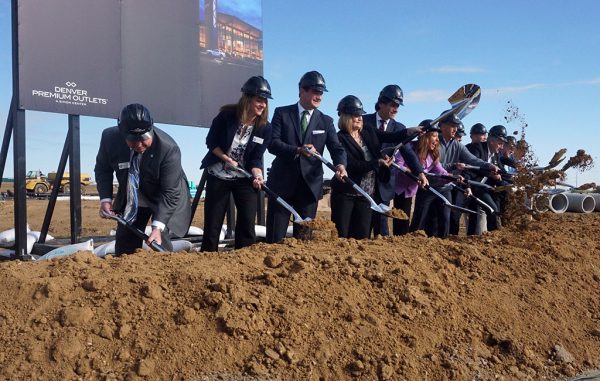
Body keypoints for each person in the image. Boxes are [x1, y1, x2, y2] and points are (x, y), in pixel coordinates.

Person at [95, 103, 191, 255]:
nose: (139, 145)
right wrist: (105, 199)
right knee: (125, 243)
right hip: (132, 197)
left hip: (162, 197)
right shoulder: (109, 138)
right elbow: (103, 169)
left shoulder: (168, 148)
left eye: (144, 138)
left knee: (160, 241)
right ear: (122, 133)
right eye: (133, 140)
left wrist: (157, 227)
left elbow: (170, 193)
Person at [266, 71, 347, 243]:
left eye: (321, 93)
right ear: (302, 90)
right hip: (282, 184)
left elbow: (336, 148)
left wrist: (340, 165)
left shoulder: (326, 121)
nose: (319, 96)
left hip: (309, 187)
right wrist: (297, 150)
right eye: (315, 91)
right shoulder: (282, 113)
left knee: (305, 239)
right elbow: (272, 143)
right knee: (275, 238)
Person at [199, 76, 273, 251]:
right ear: (247, 98)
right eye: (259, 100)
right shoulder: (226, 116)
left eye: (265, 101)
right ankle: (207, 259)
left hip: (244, 178)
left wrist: (258, 175)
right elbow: (211, 143)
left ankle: (243, 258)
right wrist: (226, 159)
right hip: (219, 175)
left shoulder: (265, 128)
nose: (262, 105)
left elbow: (256, 158)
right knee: (213, 222)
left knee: (247, 223)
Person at [330, 95, 420, 239]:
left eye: (361, 115)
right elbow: (352, 165)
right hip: (346, 194)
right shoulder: (339, 138)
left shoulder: (368, 130)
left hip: (366, 195)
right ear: (345, 117)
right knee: (342, 235)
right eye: (356, 115)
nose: (360, 118)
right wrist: (376, 163)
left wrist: (409, 131)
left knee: (362, 236)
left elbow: (389, 137)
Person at [362, 84, 426, 237]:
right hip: (365, 180)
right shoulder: (364, 121)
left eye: (398, 106)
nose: (396, 109)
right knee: (363, 225)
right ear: (381, 103)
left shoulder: (399, 127)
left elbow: (408, 153)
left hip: (384, 183)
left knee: (382, 227)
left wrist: (420, 173)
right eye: (393, 105)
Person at [438, 112, 498, 237]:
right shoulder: (435, 143)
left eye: (456, 126)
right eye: (452, 126)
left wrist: (489, 166)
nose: (455, 130)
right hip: (431, 186)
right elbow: (434, 166)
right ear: (442, 126)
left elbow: (473, 160)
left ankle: (446, 242)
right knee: (427, 219)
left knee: (446, 219)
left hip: (447, 187)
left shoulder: (457, 146)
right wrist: (454, 166)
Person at [394, 122, 450, 236]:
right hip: (397, 189)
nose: (437, 140)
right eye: (434, 136)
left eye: (438, 137)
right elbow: (398, 165)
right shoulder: (409, 147)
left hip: (410, 191)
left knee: (405, 219)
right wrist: (415, 174)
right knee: (398, 219)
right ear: (424, 136)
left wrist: (453, 178)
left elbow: (440, 171)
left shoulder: (432, 154)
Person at [465, 125, 510, 235]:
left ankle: (494, 234)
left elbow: (502, 173)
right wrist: (490, 174)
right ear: (491, 140)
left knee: (499, 205)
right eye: (500, 143)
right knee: (492, 210)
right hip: (474, 186)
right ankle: (480, 237)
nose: (501, 146)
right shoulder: (477, 148)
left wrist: (515, 182)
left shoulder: (495, 155)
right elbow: (470, 168)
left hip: (487, 188)